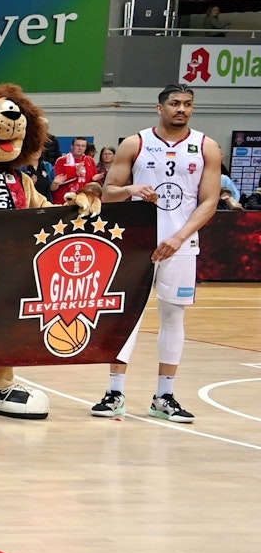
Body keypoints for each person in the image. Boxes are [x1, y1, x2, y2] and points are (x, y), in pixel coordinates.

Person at [94, 85, 223, 423]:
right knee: (128, 318)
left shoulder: (206, 147)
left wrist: (179, 238)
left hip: (180, 246)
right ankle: (114, 392)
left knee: (173, 318)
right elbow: (107, 194)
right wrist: (130, 189)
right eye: (175, 103)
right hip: (135, 245)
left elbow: (209, 201)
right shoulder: (135, 143)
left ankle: (164, 397)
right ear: (160, 107)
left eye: (188, 104)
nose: (182, 109)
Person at [53, 137, 100, 203]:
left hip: (85, 200)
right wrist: (75, 173)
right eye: (77, 145)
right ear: (72, 146)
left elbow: (93, 182)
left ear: (85, 148)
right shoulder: (61, 161)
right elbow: (57, 181)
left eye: (83, 146)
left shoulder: (90, 161)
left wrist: (95, 179)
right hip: (65, 200)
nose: (80, 148)